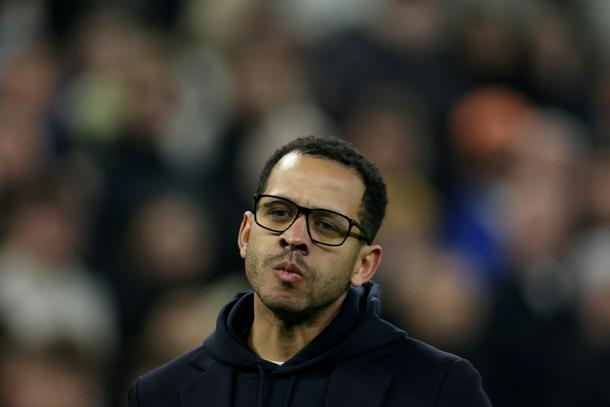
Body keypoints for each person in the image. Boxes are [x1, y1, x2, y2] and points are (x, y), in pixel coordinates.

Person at [128, 135, 492, 406]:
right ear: (246, 234)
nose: (294, 237)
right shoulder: (161, 395)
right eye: (278, 213)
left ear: (364, 265)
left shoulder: (438, 390)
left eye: (327, 226)